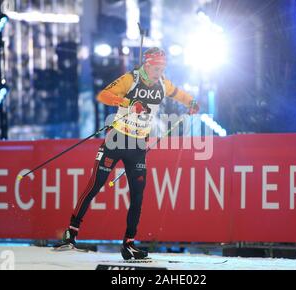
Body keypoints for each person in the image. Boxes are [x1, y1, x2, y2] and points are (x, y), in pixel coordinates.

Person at [54, 47, 199, 260]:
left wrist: (191, 102)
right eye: (157, 67)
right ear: (147, 65)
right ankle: (71, 233)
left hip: (138, 145)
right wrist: (128, 103)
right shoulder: (129, 79)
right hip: (117, 139)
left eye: (163, 68)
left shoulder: (162, 84)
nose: (160, 71)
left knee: (138, 195)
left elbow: (179, 94)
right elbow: (104, 95)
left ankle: (129, 244)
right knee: (95, 185)